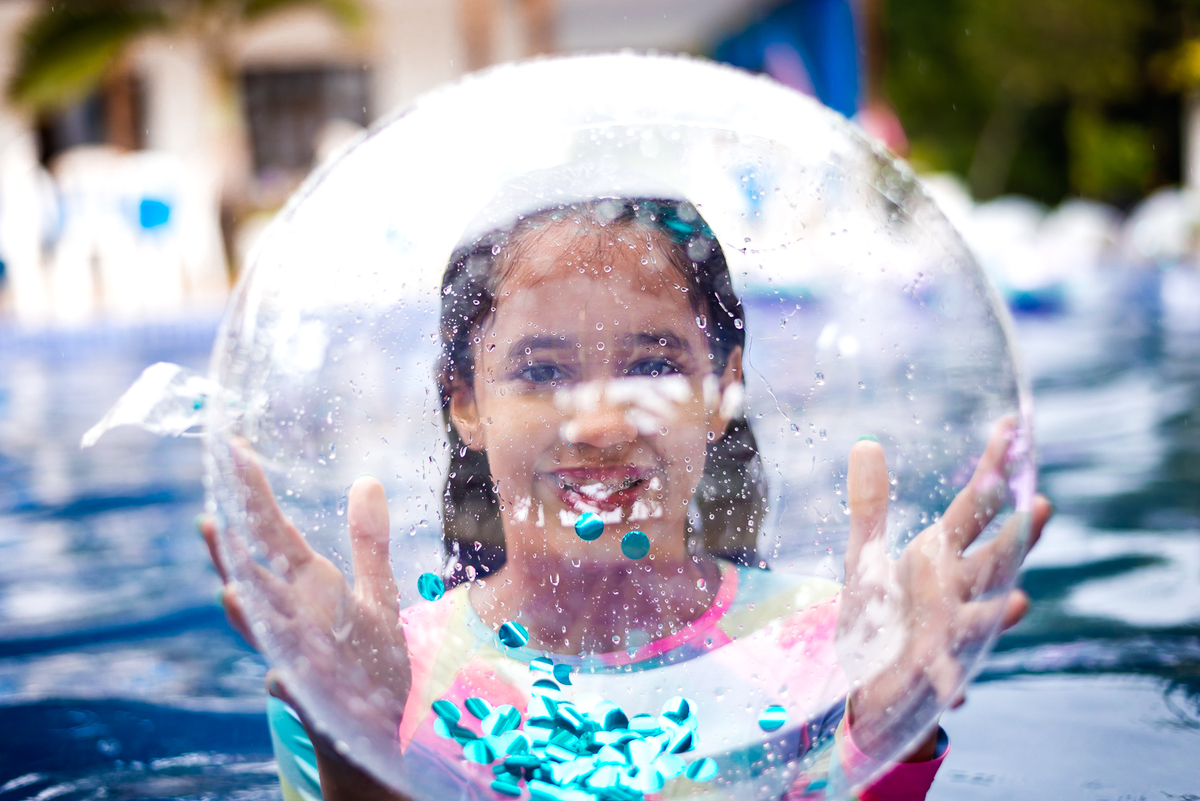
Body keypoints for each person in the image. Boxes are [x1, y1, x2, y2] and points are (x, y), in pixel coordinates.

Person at [201, 167, 1052, 801]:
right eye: (540, 370)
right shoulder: (369, 664)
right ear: (466, 403)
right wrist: (356, 738)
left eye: (652, 363)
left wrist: (887, 739)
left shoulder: (835, 647)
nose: (604, 422)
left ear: (721, 390)